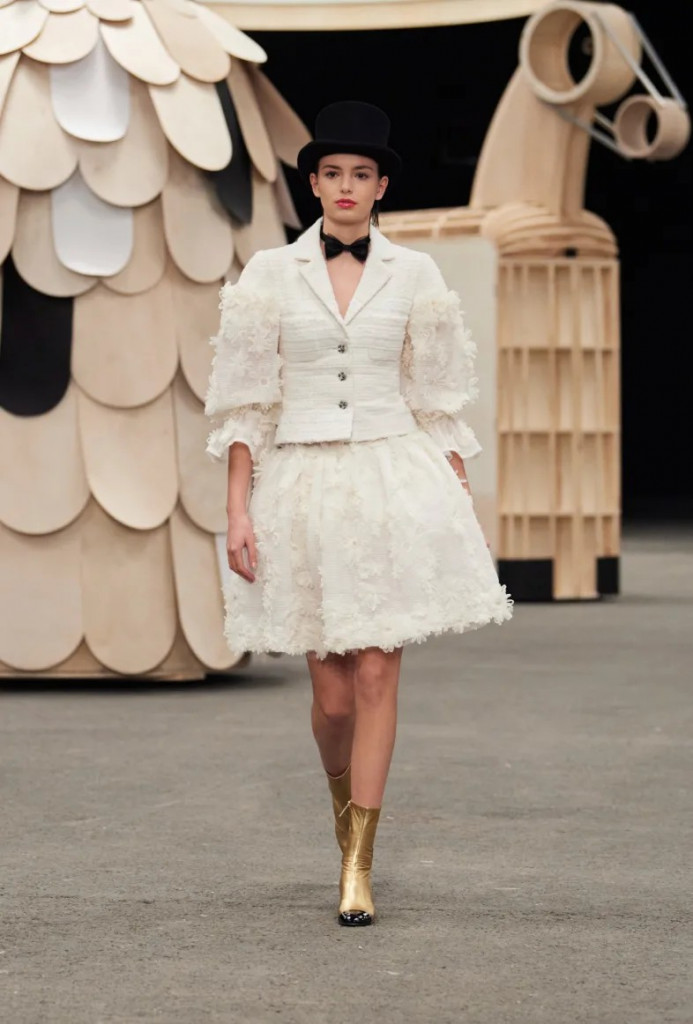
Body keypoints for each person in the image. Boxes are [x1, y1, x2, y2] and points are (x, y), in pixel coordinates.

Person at [205, 100, 513, 927]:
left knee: (377, 671)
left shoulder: (415, 274)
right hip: (303, 487)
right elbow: (246, 404)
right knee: (333, 696)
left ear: (381, 187)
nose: (346, 187)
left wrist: (457, 500)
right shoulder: (269, 273)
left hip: (391, 479)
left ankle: (357, 866)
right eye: (332, 173)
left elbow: (434, 399)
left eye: (361, 174)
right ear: (313, 184)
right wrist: (237, 510)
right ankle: (342, 813)